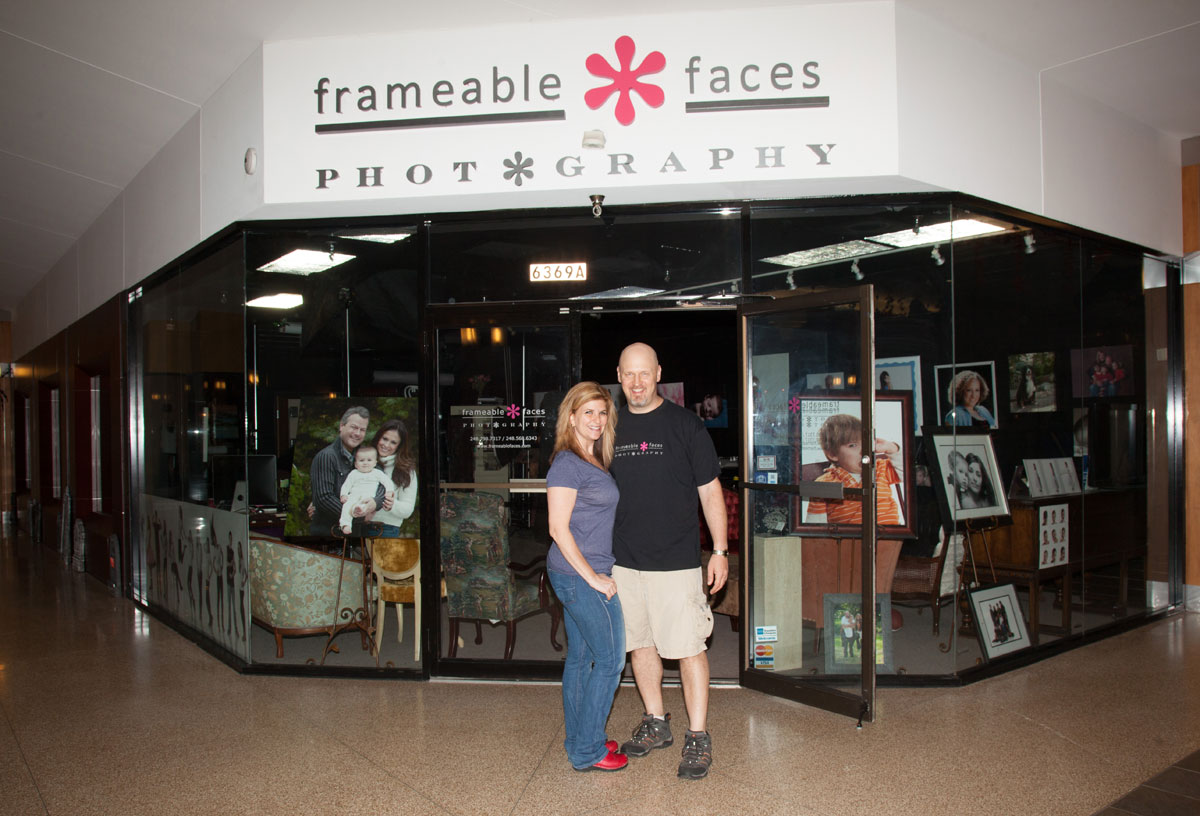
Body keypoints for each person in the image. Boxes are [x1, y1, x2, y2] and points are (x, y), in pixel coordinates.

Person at [610, 342, 728, 781]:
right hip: (624, 562)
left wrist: (719, 550)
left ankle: (697, 735)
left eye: (645, 373)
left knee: (688, 648)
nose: (637, 382)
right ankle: (656, 721)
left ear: (658, 372)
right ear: (619, 376)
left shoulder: (686, 426)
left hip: (676, 563)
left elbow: (710, 492)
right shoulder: (610, 428)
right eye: (628, 374)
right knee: (639, 644)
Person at [545, 381, 626, 773]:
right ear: (571, 416)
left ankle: (580, 738)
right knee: (610, 661)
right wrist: (594, 578)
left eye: (602, 412)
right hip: (579, 575)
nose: (596, 420)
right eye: (588, 412)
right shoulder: (567, 463)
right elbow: (558, 529)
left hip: (582, 572)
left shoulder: (592, 460)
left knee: (580, 659)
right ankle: (589, 750)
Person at [804, 414, 903, 525]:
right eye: (852, 445)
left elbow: (908, 474)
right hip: (848, 540)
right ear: (832, 454)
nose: (863, 451)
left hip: (892, 536)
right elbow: (815, 527)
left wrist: (891, 448)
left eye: (865, 444)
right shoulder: (823, 484)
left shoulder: (880, 468)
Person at [309, 406, 386, 535]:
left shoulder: (364, 454)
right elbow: (324, 498)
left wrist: (375, 502)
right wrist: (358, 513)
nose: (357, 433)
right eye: (354, 427)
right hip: (330, 532)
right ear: (341, 426)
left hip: (356, 532)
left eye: (362, 430)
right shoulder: (326, 456)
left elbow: (382, 482)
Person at [365, 419, 418, 537]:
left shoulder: (406, 470)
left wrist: (392, 505)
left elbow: (407, 509)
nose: (386, 445)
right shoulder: (363, 460)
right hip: (357, 526)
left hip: (385, 529)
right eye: (384, 439)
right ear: (378, 437)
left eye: (393, 442)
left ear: (399, 446)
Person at [338, 445, 394, 535]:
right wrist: (343, 494)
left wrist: (389, 491)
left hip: (367, 497)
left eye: (369, 460)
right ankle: (345, 524)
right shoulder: (354, 473)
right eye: (361, 460)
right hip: (354, 496)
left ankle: (358, 510)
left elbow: (387, 482)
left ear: (375, 463)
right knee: (346, 506)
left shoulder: (377, 473)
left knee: (364, 506)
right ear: (356, 464)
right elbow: (346, 485)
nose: (365, 463)